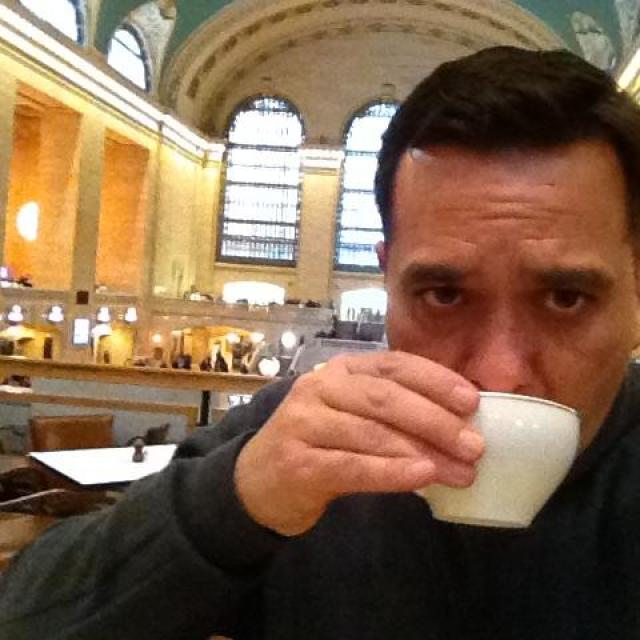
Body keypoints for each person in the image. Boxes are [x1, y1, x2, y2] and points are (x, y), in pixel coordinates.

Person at [2, 45, 640, 639]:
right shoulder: (293, 440)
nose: (498, 374)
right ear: (387, 279)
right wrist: (235, 504)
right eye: (444, 295)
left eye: (566, 298)